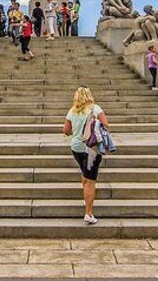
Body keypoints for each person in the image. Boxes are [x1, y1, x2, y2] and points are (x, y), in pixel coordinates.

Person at [63, 87, 109, 225]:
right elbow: (106, 125)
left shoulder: (72, 111)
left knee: (85, 172)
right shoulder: (95, 109)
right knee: (91, 180)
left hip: (76, 147)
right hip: (91, 148)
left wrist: (76, 133)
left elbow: (65, 131)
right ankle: (88, 213)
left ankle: (86, 198)